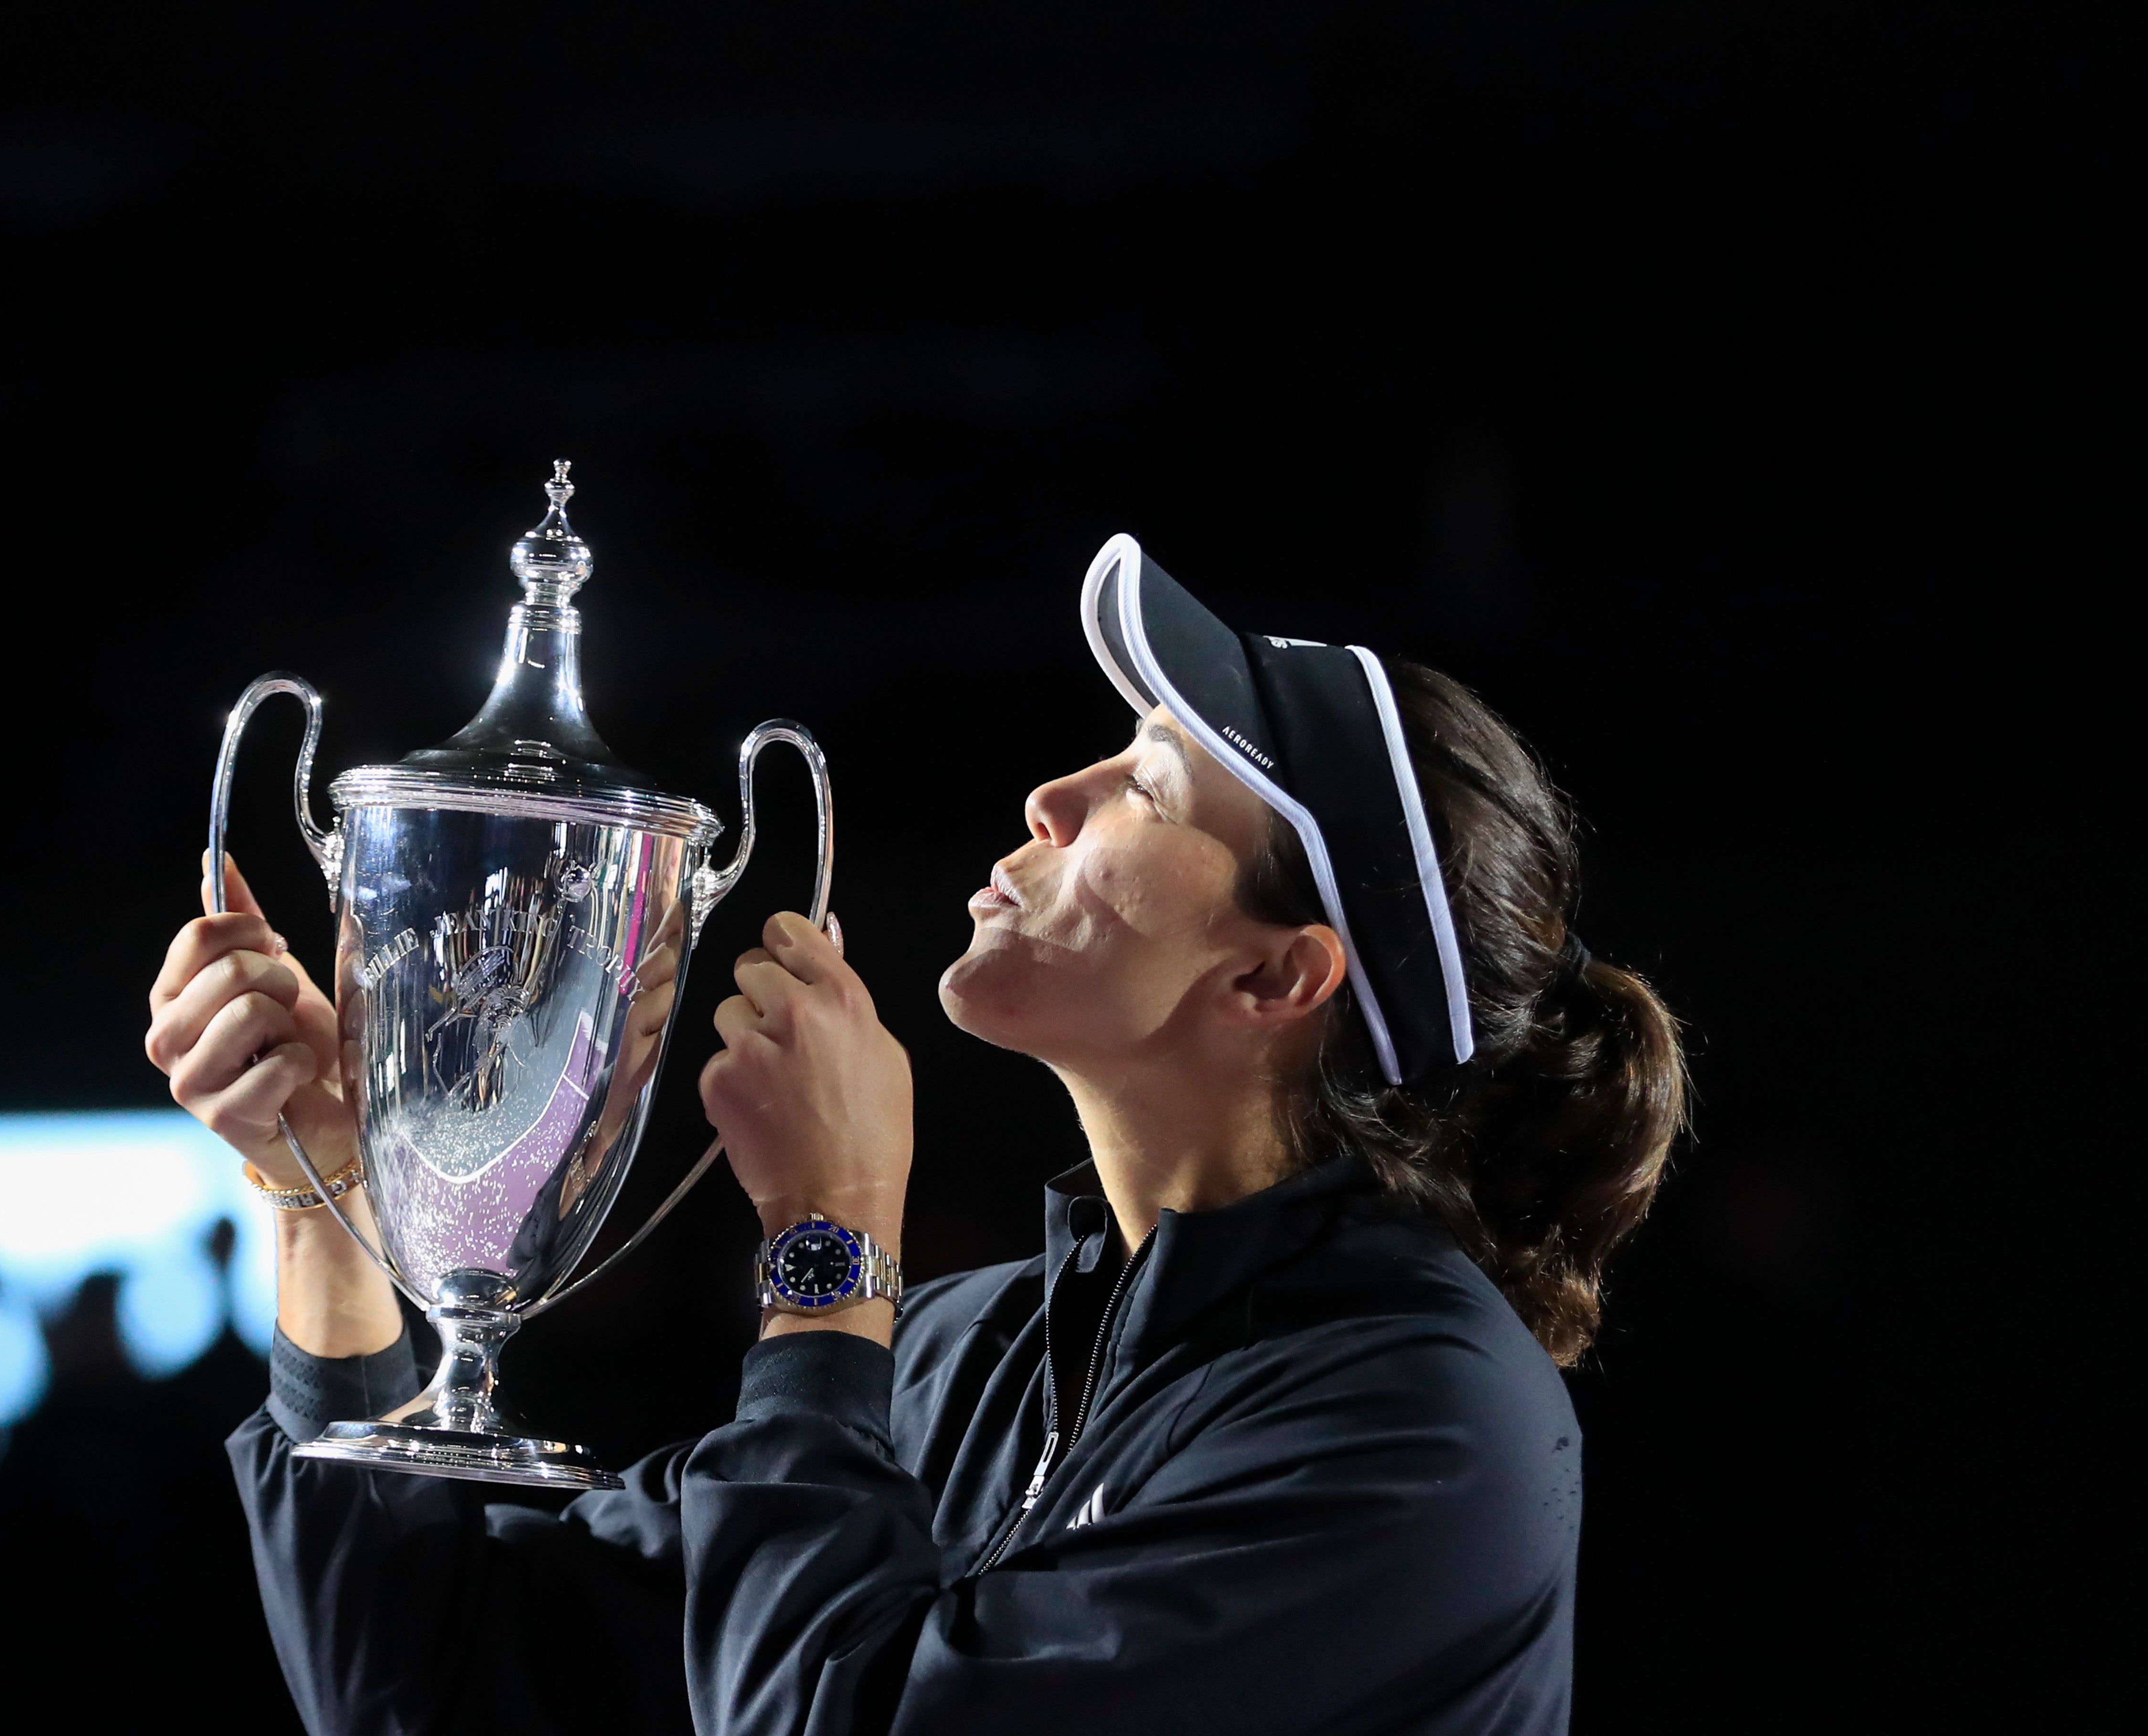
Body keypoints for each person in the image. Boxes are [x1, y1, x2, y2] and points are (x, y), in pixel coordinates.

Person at [144, 535, 1686, 1736]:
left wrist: (828, 1244)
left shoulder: (1420, 1423)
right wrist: (321, 1189)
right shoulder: (971, 1353)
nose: (1055, 793)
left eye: (1150, 787)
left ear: (1277, 976)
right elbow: (421, 1685)